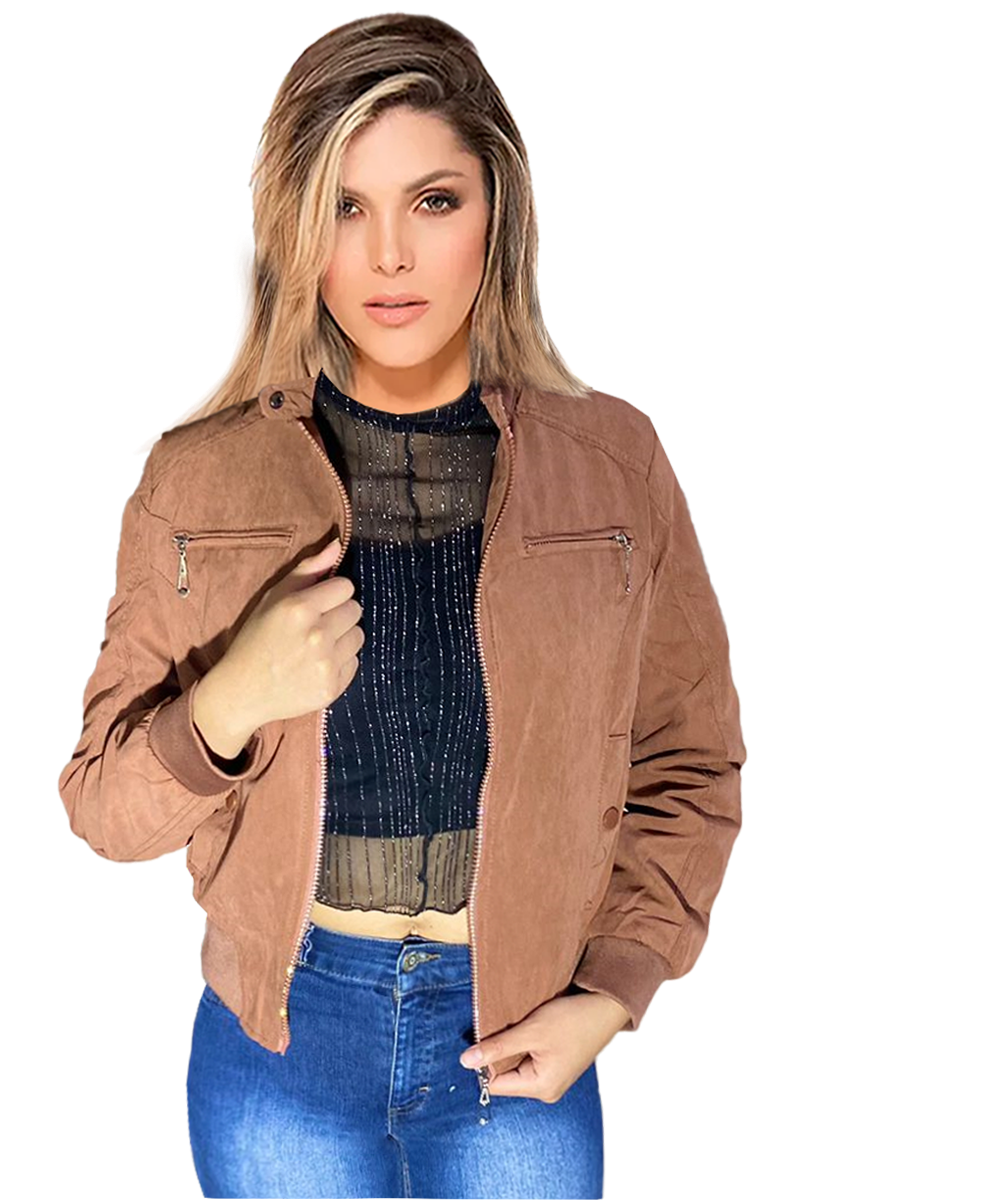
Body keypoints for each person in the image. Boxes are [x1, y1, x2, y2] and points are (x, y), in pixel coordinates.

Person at [58, 13, 747, 1199]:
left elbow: (693, 758)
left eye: (432, 201)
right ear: (294, 228)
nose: (389, 256)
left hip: (522, 1028)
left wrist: (613, 990)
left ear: (498, 215)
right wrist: (228, 702)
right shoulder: (196, 478)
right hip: (280, 1039)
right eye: (344, 206)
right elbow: (103, 811)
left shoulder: (614, 461)